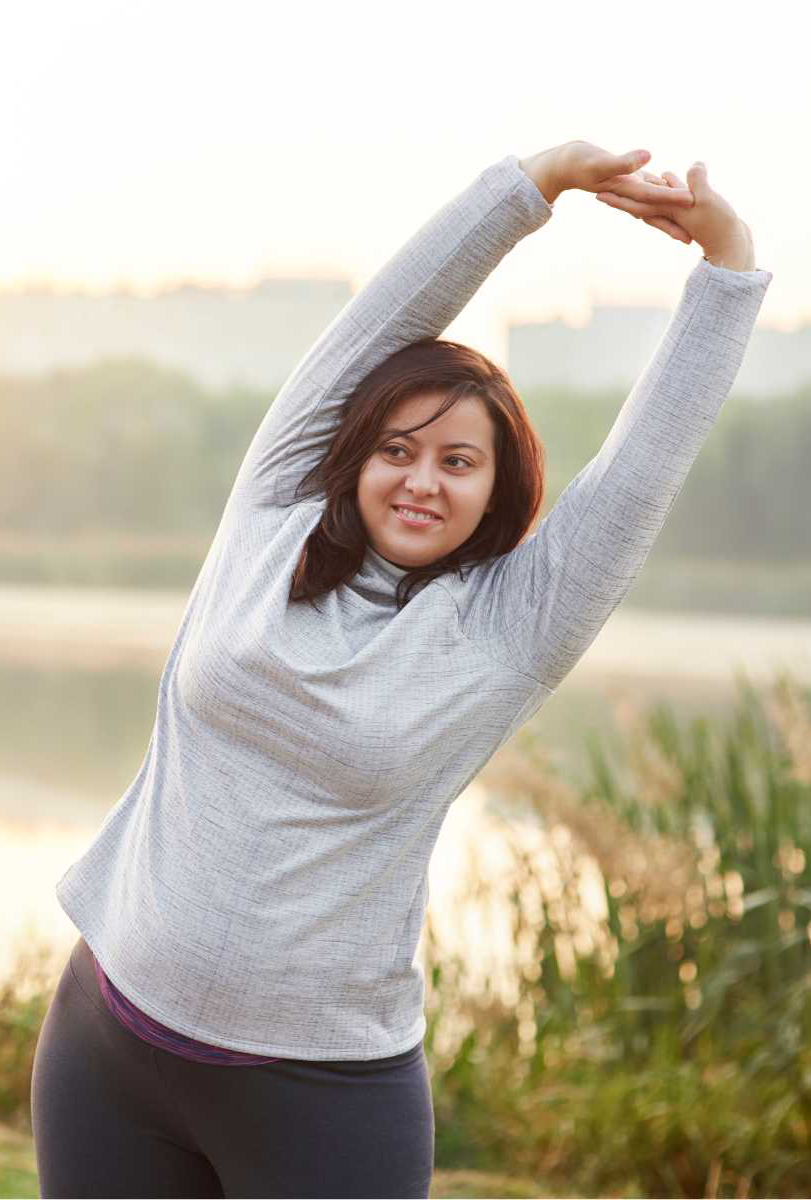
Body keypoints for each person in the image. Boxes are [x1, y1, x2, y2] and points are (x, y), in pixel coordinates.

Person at [30, 139, 771, 1199]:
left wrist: (726, 265)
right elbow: (380, 320)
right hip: (108, 1046)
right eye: (398, 448)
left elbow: (642, 466)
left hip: (318, 1096)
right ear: (355, 453)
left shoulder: (510, 628)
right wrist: (536, 184)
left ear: (495, 485)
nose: (421, 479)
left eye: (457, 460)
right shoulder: (271, 513)